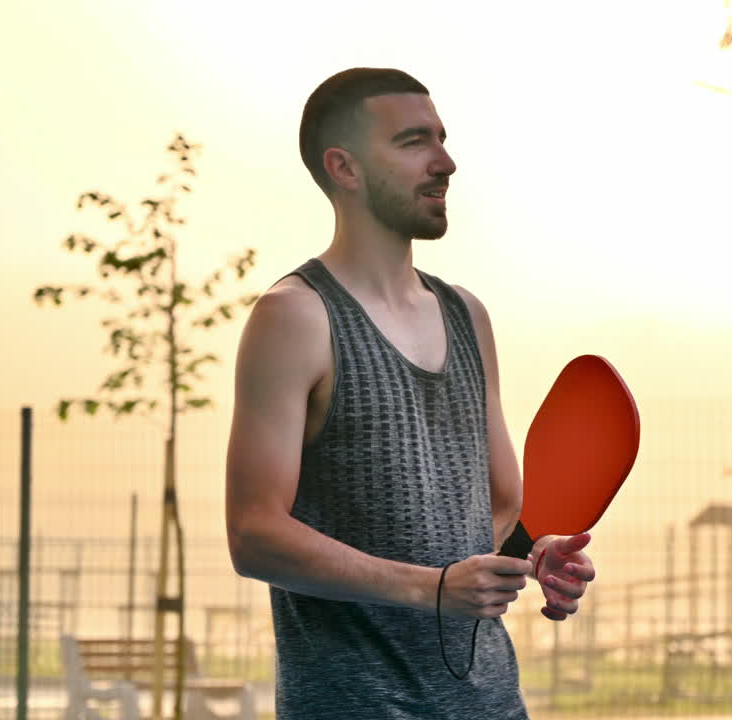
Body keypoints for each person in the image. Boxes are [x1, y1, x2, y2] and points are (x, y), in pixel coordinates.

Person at [224, 67, 597, 719]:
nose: (445, 162)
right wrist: (434, 587)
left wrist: (528, 558)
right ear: (345, 168)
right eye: (413, 142)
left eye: (443, 140)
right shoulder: (295, 319)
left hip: (492, 705)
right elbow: (254, 533)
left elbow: (502, 502)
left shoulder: (467, 316)